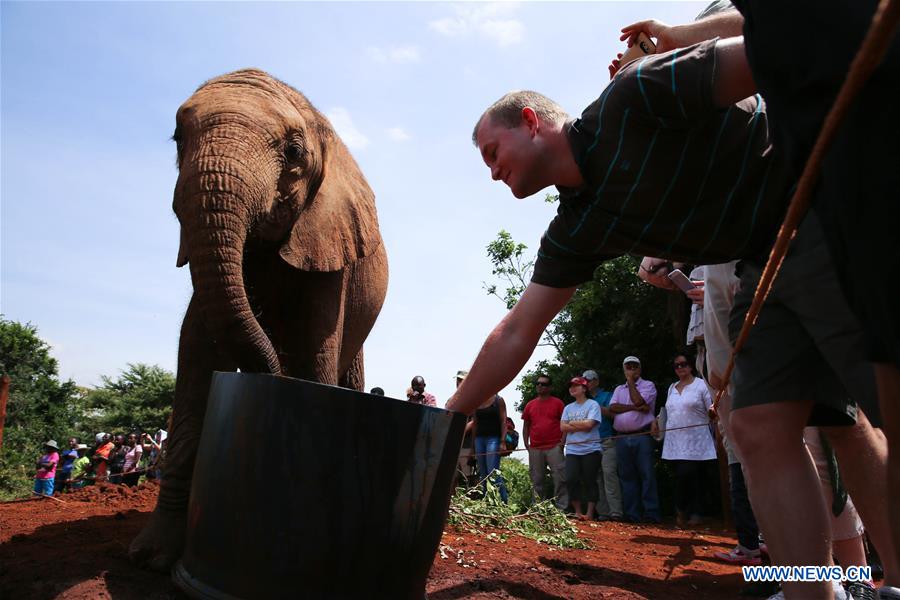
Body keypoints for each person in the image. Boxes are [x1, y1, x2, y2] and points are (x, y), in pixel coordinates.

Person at [653, 353, 716, 527]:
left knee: (693, 476)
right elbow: (667, 410)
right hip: (675, 441)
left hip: (697, 440)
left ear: (691, 366)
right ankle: (685, 511)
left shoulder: (701, 385)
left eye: (683, 364)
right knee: (683, 476)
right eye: (676, 365)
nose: (680, 368)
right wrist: (657, 422)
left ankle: (689, 512)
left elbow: (711, 409)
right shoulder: (672, 387)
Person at [608, 356, 660, 523]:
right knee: (627, 476)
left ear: (640, 369)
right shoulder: (618, 389)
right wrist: (635, 408)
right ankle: (632, 514)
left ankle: (651, 513)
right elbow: (613, 408)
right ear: (624, 369)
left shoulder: (648, 385)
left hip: (642, 435)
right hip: (622, 438)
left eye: (634, 366)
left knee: (647, 474)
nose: (631, 369)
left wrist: (630, 382)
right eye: (628, 367)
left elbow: (640, 400)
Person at [522, 373, 568, 511]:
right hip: (535, 447)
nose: (540, 386)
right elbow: (526, 426)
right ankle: (538, 509)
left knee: (560, 478)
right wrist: (526, 444)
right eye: (538, 384)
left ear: (550, 387)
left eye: (544, 384)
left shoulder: (558, 403)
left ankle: (562, 509)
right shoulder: (530, 405)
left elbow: (564, 423)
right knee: (537, 480)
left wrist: (562, 442)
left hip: (554, 446)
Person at [561, 376, 603, 520]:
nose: (572, 388)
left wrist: (572, 423)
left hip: (591, 449)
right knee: (571, 479)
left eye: (576, 385)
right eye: (571, 386)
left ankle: (590, 513)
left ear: (584, 388)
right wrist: (580, 424)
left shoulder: (593, 405)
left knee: (590, 480)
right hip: (573, 450)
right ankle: (578, 512)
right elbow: (562, 427)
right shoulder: (568, 407)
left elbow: (590, 425)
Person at [583, 369, 623, 521]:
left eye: (590, 379)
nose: (586, 382)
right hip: (589, 444)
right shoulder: (581, 400)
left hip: (607, 440)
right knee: (596, 478)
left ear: (597, 381)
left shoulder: (607, 396)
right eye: (584, 380)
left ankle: (616, 512)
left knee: (610, 475)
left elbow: (613, 415)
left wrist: (594, 406)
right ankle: (603, 513)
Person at [472, 392, 509, 503]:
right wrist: (472, 446)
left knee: (492, 472)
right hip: (479, 439)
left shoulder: (498, 400)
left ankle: (503, 502)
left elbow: (503, 421)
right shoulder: (476, 400)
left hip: (493, 439)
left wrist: (502, 441)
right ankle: (487, 502)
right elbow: (475, 423)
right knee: (483, 473)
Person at [454, 370, 477, 488]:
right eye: (457, 380)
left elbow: (475, 421)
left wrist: (460, 430)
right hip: (454, 443)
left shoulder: (473, 399)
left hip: (468, 444)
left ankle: (470, 500)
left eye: (461, 380)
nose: (459, 383)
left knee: (468, 476)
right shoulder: (452, 399)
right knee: (454, 476)